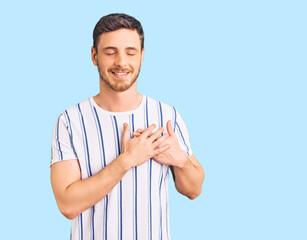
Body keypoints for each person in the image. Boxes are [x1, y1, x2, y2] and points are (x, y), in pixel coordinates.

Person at [50, 13, 204, 240]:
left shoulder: (166, 115)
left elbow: (193, 190)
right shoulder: (70, 121)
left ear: (142, 56)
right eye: (110, 52)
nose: (121, 62)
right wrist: (126, 161)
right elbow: (68, 205)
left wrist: (179, 159)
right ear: (94, 56)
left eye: (130, 52)